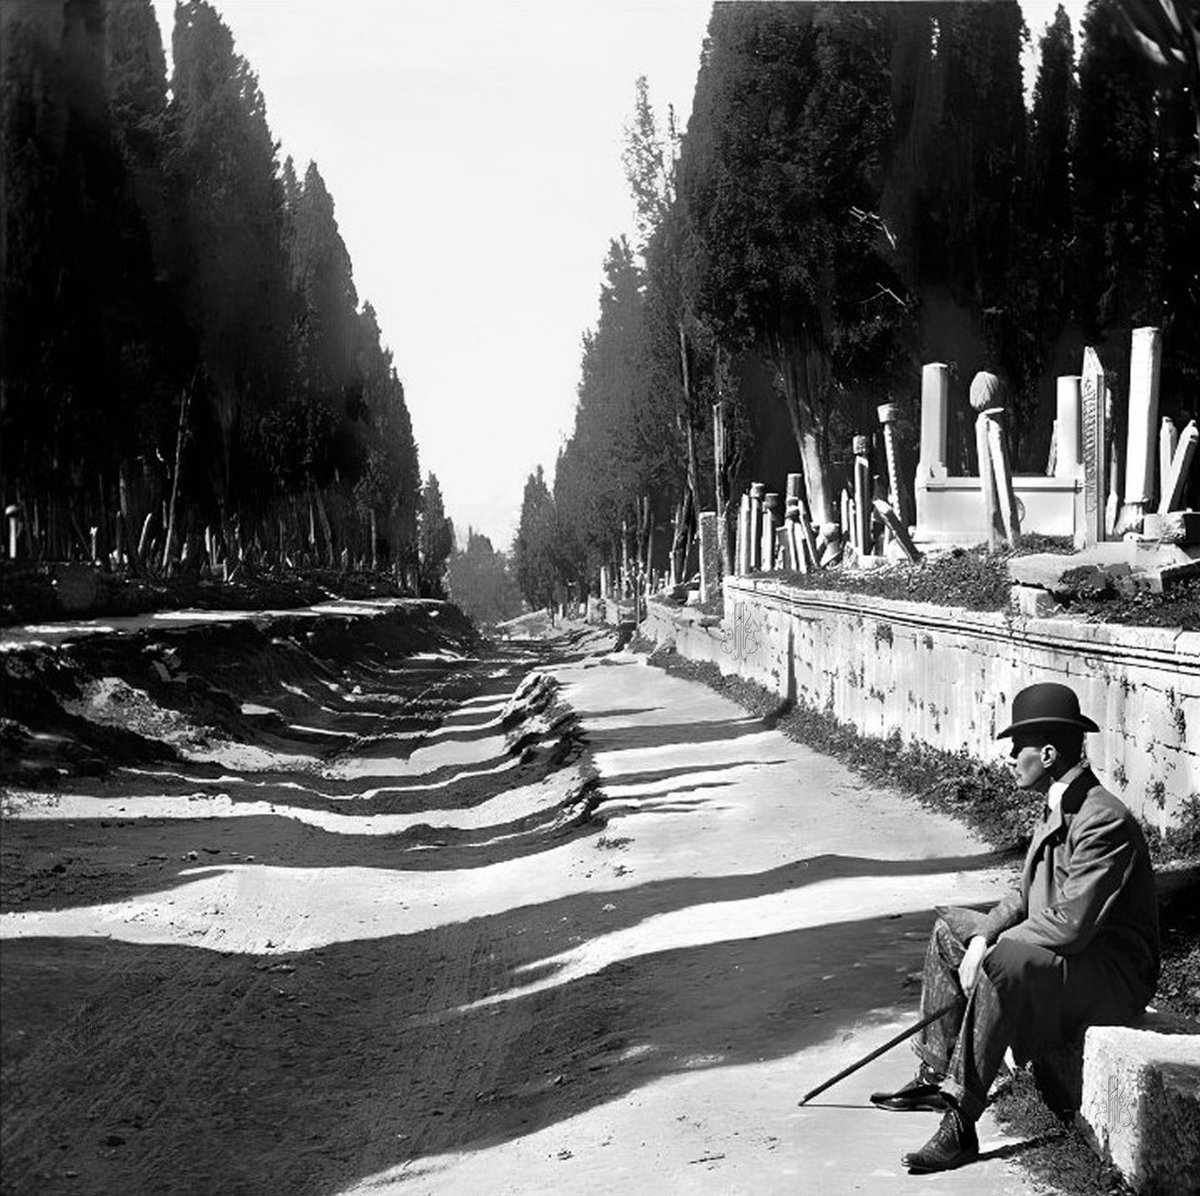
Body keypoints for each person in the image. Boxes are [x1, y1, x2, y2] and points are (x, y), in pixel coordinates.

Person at [870, 681, 1160, 1174]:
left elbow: (1071, 925)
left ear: (1047, 754)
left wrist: (993, 948)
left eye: (1015, 747)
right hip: (1069, 958)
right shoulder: (1061, 801)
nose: (1008, 757)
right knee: (951, 933)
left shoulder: (1102, 818)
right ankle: (936, 1073)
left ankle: (961, 1123)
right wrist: (982, 935)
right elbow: (1026, 894)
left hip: (1111, 976)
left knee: (1002, 958)